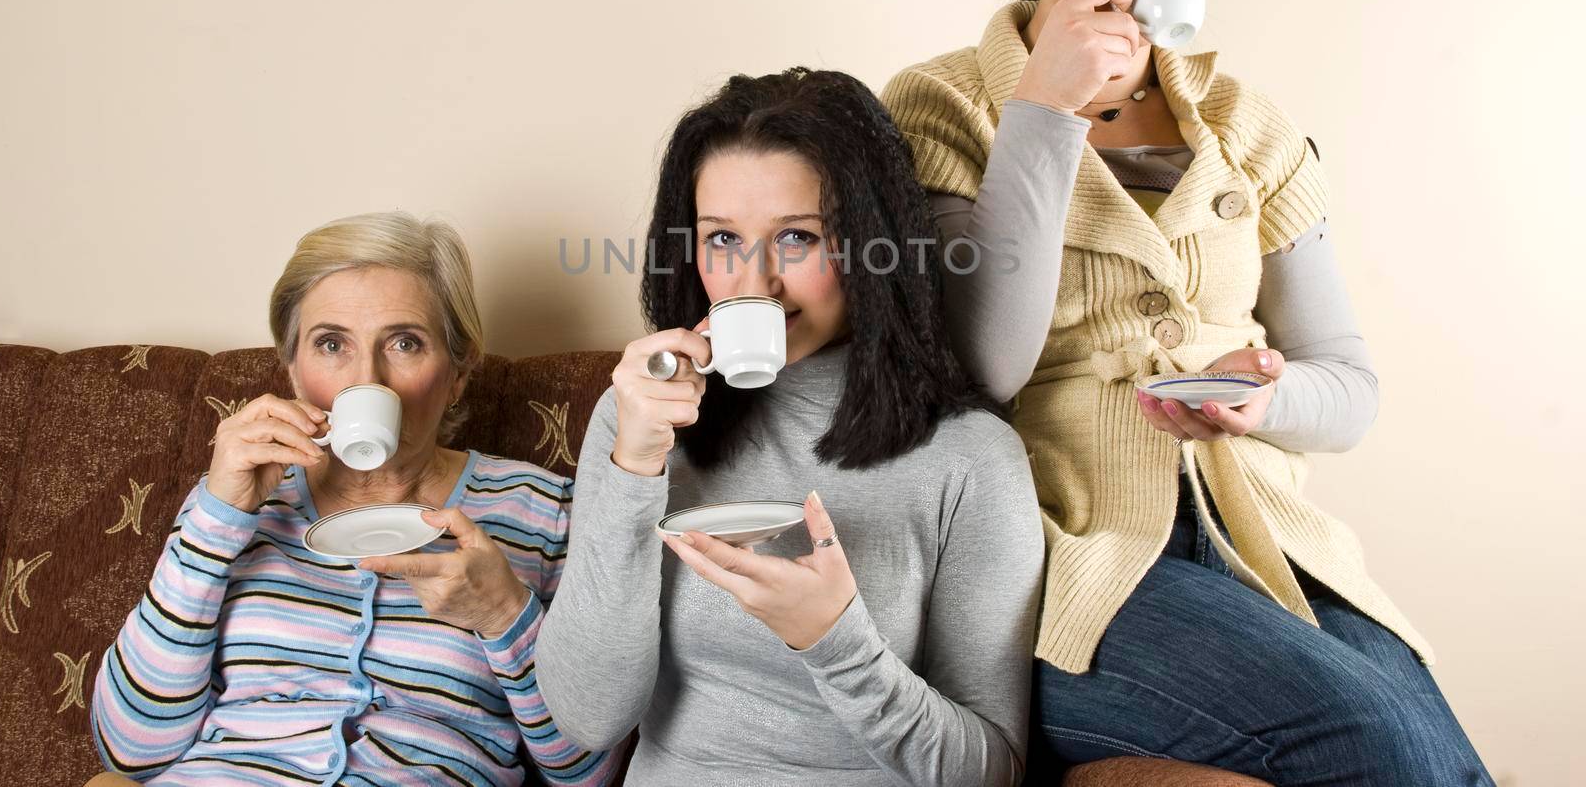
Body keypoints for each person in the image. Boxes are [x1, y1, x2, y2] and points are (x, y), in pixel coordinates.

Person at [881, 0, 1493, 785]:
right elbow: (980, 365)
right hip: (1071, 562)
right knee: (1377, 742)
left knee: (1432, 749)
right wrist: (1044, 110)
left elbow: (1346, 386)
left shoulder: (1248, 126)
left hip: (1262, 540)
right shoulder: (943, 108)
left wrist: (1267, 397)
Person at [533, 68, 1044, 786]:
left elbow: (993, 771)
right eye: (722, 239)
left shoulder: (972, 461)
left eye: (798, 237)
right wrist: (633, 467)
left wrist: (839, 643)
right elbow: (587, 718)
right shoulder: (641, 415)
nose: (755, 281)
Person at [89, 212, 620, 786]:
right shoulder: (237, 499)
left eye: (405, 342)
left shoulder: (542, 510)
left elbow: (584, 773)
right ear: (293, 371)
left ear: (459, 374)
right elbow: (129, 751)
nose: (366, 379)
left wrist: (504, 617)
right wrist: (217, 519)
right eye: (332, 344)